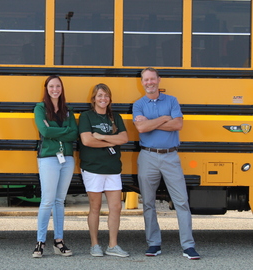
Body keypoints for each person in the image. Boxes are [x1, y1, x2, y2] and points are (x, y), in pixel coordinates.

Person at [132, 67, 200, 260]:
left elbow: (178, 125)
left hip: (170, 156)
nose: (149, 82)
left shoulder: (172, 100)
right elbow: (141, 128)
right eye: (146, 80)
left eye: (152, 79)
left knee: (181, 202)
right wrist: (163, 119)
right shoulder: (138, 104)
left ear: (158, 80)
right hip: (147, 157)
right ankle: (153, 243)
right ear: (142, 82)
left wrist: (151, 122)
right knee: (148, 202)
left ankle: (188, 246)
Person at [78, 83, 129, 258]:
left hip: (113, 168)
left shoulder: (115, 117)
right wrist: (112, 142)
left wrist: (103, 136)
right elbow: (87, 141)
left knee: (116, 207)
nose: (103, 99)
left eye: (106, 96)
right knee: (95, 207)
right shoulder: (86, 117)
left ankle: (113, 245)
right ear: (94, 98)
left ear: (109, 99)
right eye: (99, 96)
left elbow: (124, 137)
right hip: (93, 168)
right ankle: (95, 245)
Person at [33, 75, 78, 258]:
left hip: (67, 159)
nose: (55, 89)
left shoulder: (68, 110)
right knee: (47, 201)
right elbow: (44, 131)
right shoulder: (40, 108)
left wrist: (56, 132)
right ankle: (40, 242)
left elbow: (74, 134)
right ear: (46, 88)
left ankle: (59, 241)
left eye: (58, 86)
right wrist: (65, 131)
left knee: (60, 201)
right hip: (49, 159)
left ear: (62, 88)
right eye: (51, 86)